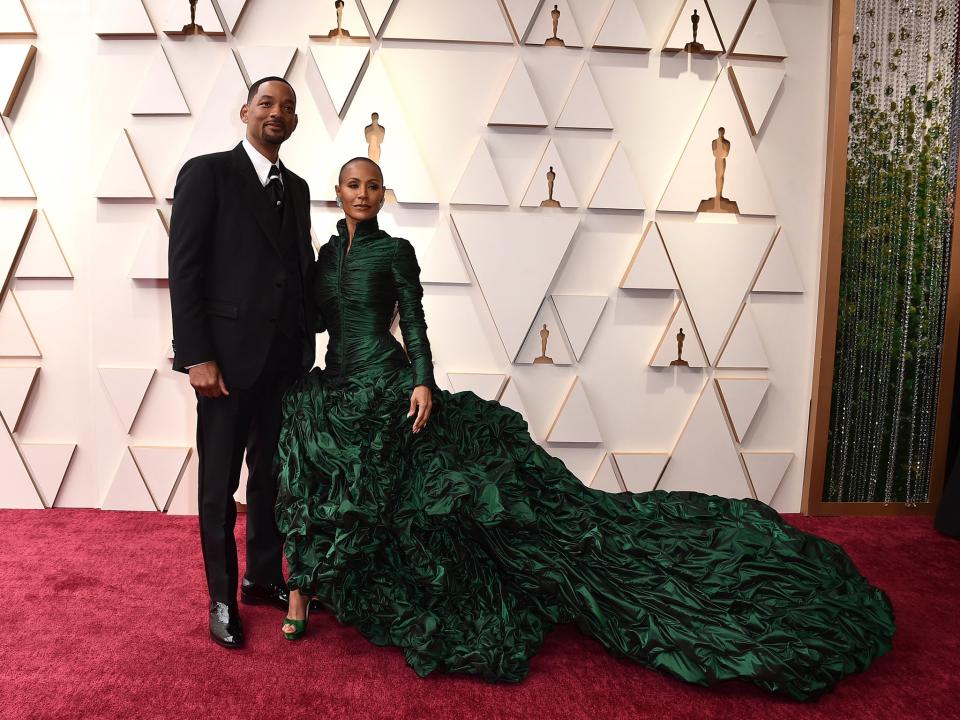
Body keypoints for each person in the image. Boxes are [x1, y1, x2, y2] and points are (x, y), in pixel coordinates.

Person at [274, 158, 895, 699]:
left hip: (390, 385)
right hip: (337, 386)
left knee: (462, 499)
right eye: (353, 184)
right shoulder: (323, 260)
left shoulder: (393, 251)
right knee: (309, 457)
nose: (362, 193)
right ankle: (304, 591)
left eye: (373, 186)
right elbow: (313, 323)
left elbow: (413, 319)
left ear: (383, 196)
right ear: (338, 190)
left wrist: (422, 381)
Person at [168, 76, 315, 649]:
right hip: (224, 364)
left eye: (287, 106)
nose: (277, 112)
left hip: (284, 362)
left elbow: (298, 269)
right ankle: (222, 598)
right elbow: (184, 270)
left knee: (272, 478)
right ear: (245, 112)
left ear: (295, 122)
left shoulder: (297, 188)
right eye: (266, 103)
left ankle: (260, 578)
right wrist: (196, 354)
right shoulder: (208, 173)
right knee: (218, 485)